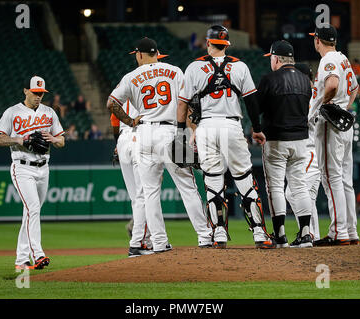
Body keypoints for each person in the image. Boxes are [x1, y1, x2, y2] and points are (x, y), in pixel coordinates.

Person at [107, 37, 212, 255]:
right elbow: (188, 103)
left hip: (143, 133)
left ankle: (160, 242)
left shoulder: (131, 76)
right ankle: (204, 237)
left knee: (150, 192)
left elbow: (111, 103)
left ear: (140, 54)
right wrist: (190, 132)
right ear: (157, 53)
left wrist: (129, 121)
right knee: (187, 186)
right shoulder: (175, 71)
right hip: (171, 130)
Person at [177, 25, 275, 249]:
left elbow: (183, 103)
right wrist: (257, 128)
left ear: (208, 42)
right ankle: (259, 233)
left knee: (213, 181)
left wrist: (182, 131)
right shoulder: (239, 66)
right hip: (232, 125)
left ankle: (219, 232)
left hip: (206, 128)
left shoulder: (194, 67)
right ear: (227, 44)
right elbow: (251, 101)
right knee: (245, 180)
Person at [0, 75, 65, 269]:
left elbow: (61, 141)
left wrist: (53, 138)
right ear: (26, 90)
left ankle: (21, 260)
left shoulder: (49, 112)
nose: (38, 97)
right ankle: (38, 255)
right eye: (35, 93)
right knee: (33, 208)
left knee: (31, 212)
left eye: (41, 93)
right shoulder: (13, 112)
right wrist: (19, 140)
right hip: (22, 167)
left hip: (44, 167)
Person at [257, 41, 313, 248]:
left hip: (276, 139)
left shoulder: (269, 79)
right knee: (299, 185)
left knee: (275, 188)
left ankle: (280, 235)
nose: (270, 61)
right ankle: (306, 234)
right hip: (301, 140)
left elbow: (258, 107)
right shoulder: (305, 80)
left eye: (271, 57)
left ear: (277, 58)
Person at [308, 24, 360, 246]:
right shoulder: (343, 58)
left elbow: (331, 84)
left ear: (318, 40)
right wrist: (345, 108)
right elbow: (355, 87)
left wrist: (325, 104)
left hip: (331, 125)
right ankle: (350, 230)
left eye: (315, 38)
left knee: (331, 178)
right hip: (344, 124)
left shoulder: (328, 60)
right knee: (345, 179)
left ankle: (339, 232)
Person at [284, 62, 321, 241]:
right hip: (309, 150)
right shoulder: (312, 94)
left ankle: (308, 233)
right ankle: (311, 235)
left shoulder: (307, 95)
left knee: (292, 193)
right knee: (308, 197)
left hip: (310, 151)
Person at [110, 100, 152, 257]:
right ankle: (139, 243)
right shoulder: (145, 88)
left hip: (122, 139)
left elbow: (113, 118)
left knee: (136, 198)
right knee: (144, 195)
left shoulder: (123, 89)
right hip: (139, 138)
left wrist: (117, 143)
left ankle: (145, 240)